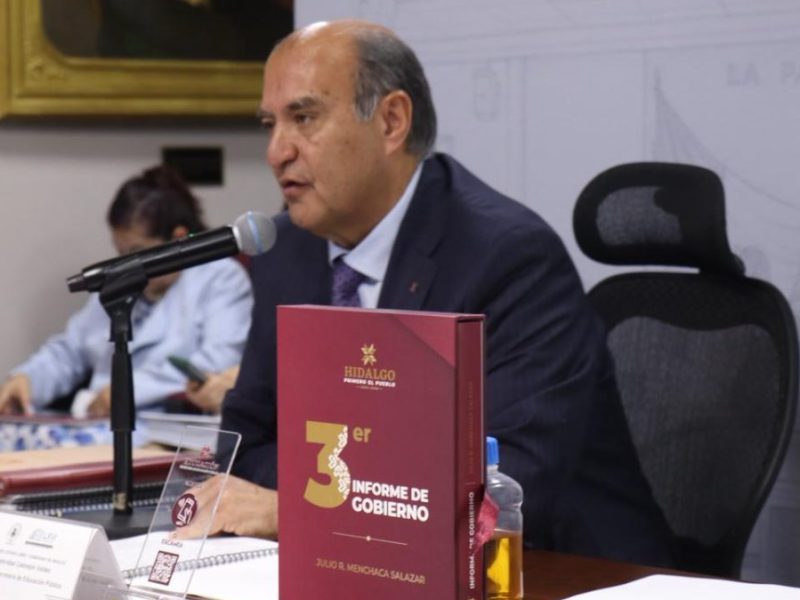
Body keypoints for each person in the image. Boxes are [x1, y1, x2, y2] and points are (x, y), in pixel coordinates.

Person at [186, 20, 674, 566]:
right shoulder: (287, 253)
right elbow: (245, 448)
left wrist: (302, 507)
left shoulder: (507, 257)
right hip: (359, 565)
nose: (277, 151)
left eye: (304, 118)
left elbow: (505, 485)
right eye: (269, 124)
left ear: (391, 121)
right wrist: (365, 496)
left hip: (563, 572)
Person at [0, 165, 253, 419]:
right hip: (98, 423)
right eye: (120, 253)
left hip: (167, 426)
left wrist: (126, 391)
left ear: (178, 238)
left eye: (137, 252)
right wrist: (28, 378)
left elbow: (216, 365)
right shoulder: (121, 283)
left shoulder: (221, 279)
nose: (126, 264)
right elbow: (71, 349)